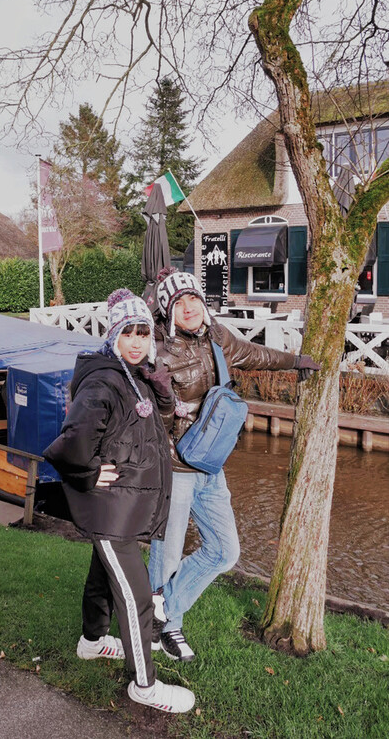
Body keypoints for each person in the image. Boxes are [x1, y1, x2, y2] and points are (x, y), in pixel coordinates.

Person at [149, 267, 320, 662]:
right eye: (180, 303)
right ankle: (163, 627)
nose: (190, 308)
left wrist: (296, 361)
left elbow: (256, 354)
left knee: (225, 551)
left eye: (194, 299)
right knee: (167, 555)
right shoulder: (157, 352)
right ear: (167, 310)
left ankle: (160, 612)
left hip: (210, 464)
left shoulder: (217, 337)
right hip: (174, 468)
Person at [44, 288, 195, 714]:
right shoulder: (104, 382)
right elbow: (68, 444)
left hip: (123, 508)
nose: (136, 341)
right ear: (113, 336)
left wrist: (159, 387)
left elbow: (146, 426)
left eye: (143, 333)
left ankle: (92, 642)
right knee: (137, 597)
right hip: (112, 508)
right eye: (128, 332)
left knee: (100, 580)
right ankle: (144, 686)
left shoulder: (133, 376)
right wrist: (89, 472)